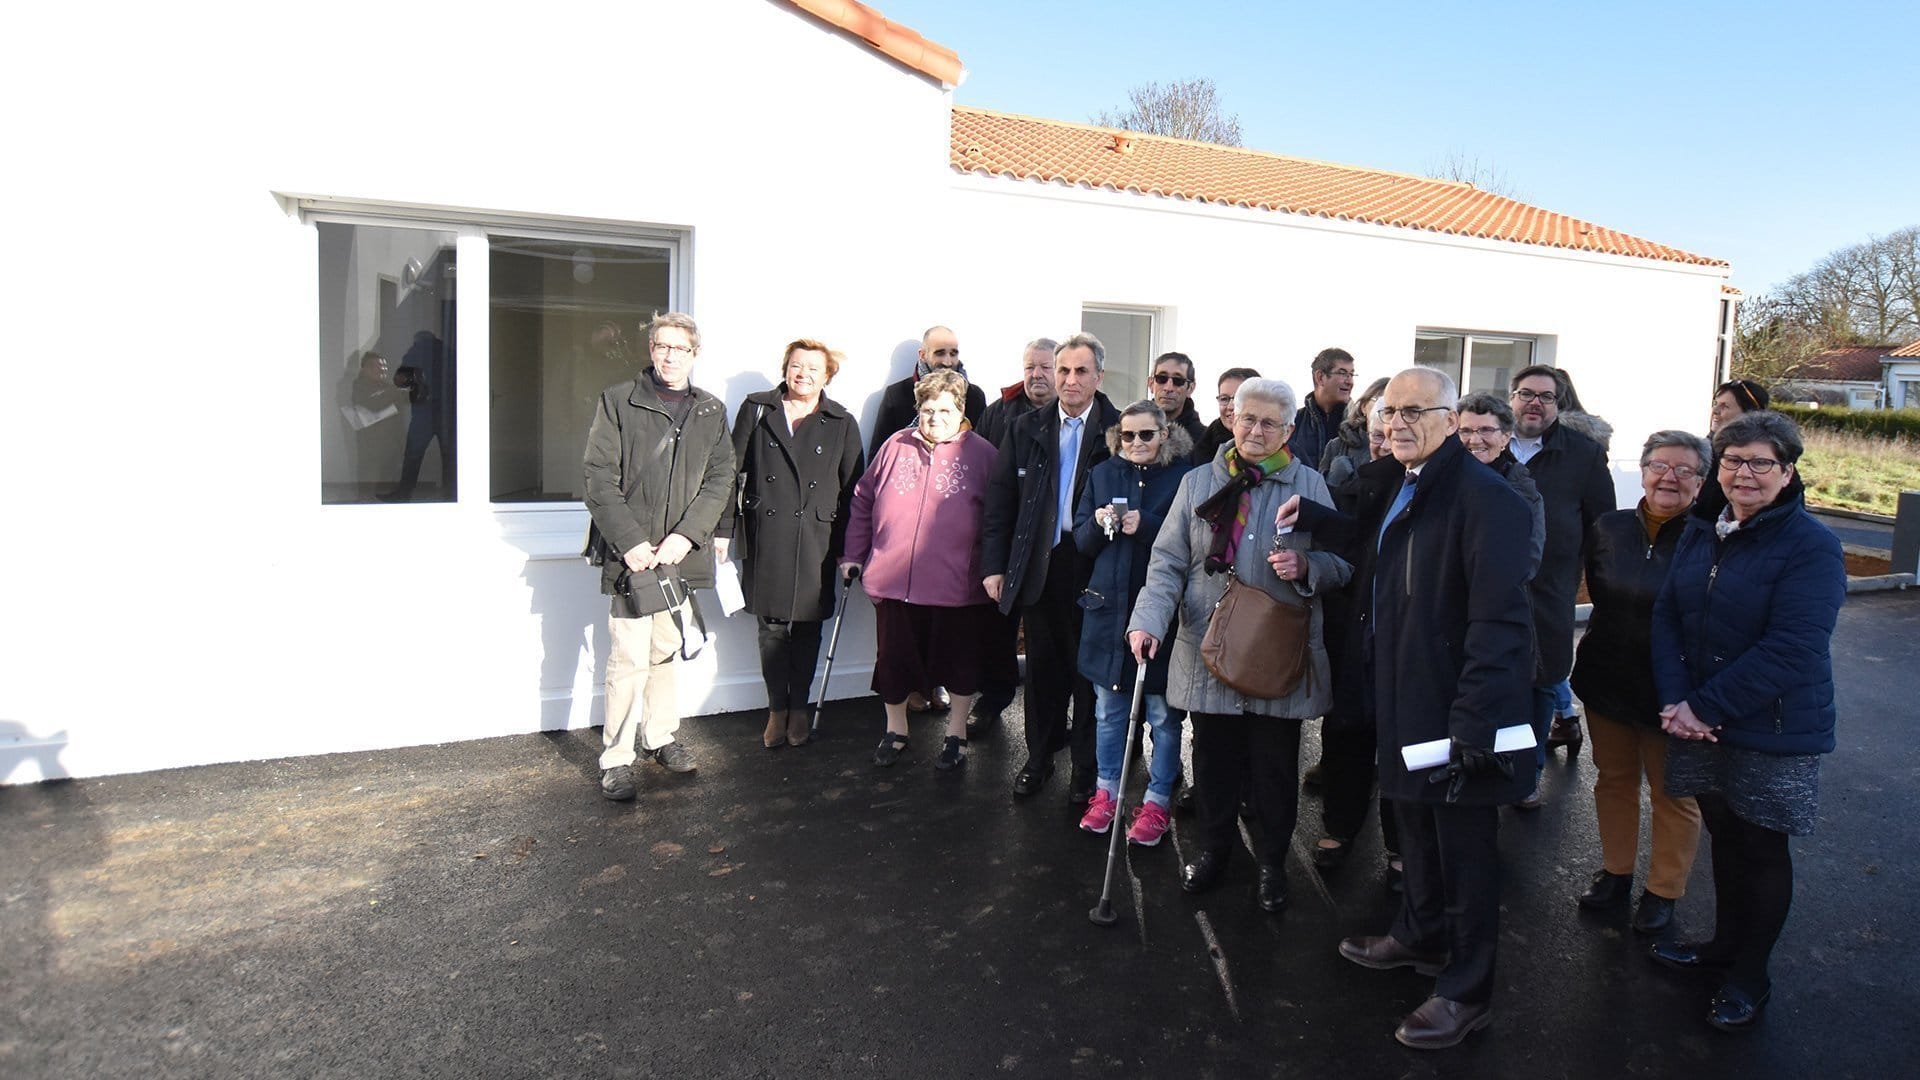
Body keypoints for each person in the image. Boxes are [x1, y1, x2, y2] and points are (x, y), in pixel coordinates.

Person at [1297, 366, 1534, 1050]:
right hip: (1399, 696)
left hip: (1455, 708)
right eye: (1389, 411)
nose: (1397, 422)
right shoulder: (1405, 484)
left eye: (1413, 411)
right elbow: (1371, 553)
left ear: (1451, 417)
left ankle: (1468, 991)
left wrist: (1474, 722)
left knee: (1464, 853)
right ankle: (1422, 937)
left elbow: (1499, 623)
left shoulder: (1486, 499)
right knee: (1414, 830)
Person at [1648, 411, 1845, 1033]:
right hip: (1699, 718)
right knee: (1725, 838)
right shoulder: (1702, 530)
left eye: (1762, 463)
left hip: (1772, 728)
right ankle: (1722, 948)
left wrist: (1701, 708)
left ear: (1788, 473)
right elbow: (1668, 619)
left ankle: (1751, 975)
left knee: (1762, 850)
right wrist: (1681, 701)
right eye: (1733, 461)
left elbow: (1794, 647)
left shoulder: (1812, 545)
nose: (1745, 474)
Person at [1128, 378, 1350, 912]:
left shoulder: (1311, 486)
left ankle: (1273, 862)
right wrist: (1147, 622)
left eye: (1269, 422)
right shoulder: (1199, 482)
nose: (1254, 430)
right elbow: (1168, 563)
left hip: (1277, 652)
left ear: (1289, 430)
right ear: (1231, 419)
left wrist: (1307, 566)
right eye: (1247, 418)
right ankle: (1214, 853)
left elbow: (1344, 562)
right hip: (1208, 647)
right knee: (1214, 765)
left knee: (1275, 770)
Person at [582, 312, 734, 801]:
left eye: (680, 348)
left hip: (678, 557)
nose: (670, 356)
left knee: (664, 651)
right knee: (627, 657)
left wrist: (687, 537)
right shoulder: (618, 401)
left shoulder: (710, 411)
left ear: (695, 353)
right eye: (662, 346)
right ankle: (617, 757)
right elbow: (598, 476)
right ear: (651, 349)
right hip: (634, 557)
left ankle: (659, 736)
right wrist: (630, 541)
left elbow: (720, 479)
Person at [1568, 430, 1711, 934]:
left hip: (1673, 692)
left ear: (1702, 480)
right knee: (1614, 781)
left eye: (1684, 469)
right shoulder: (1608, 527)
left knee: (1674, 794)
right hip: (1607, 679)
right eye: (1658, 465)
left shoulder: (1710, 537)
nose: (1669, 477)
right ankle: (1616, 872)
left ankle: (1664, 890)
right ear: (1643, 470)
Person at [841, 369, 1000, 770]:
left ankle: (956, 733)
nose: (934, 419)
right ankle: (896, 731)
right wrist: (853, 555)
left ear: (961, 410)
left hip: (957, 586)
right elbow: (862, 499)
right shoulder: (896, 445)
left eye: (944, 410)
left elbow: (999, 518)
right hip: (895, 581)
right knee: (893, 662)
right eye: (927, 410)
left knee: (960, 665)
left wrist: (993, 569)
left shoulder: (983, 454)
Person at [983, 333, 1119, 801]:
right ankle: (1038, 759)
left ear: (1098, 376)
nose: (1069, 380)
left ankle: (1085, 770)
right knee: (1042, 672)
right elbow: (1000, 501)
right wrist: (994, 567)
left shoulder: (1118, 431)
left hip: (1093, 566)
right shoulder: (1026, 427)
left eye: (1081, 371)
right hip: (1040, 564)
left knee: (1088, 674)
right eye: (1063, 370)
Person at [724, 339, 865, 750]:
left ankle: (799, 707)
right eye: (796, 365)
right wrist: (723, 531)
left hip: (817, 538)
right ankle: (776, 709)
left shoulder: (841, 420)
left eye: (812, 368)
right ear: (785, 367)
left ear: (827, 377)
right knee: (770, 628)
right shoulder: (757, 408)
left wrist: (850, 549)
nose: (802, 373)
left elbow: (854, 490)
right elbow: (730, 472)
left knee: (806, 628)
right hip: (766, 532)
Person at [1072, 401, 1194, 845]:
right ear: (1117, 438)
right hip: (1107, 612)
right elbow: (1081, 541)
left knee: (1163, 715)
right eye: (1128, 436)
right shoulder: (1103, 474)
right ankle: (1107, 792)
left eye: (1147, 434)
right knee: (1109, 713)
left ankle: (1159, 797)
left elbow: (1194, 540)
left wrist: (1147, 525)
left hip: (1163, 617)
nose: (1137, 443)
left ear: (1164, 434)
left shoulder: (1184, 476)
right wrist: (1099, 522)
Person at [1507, 365, 1615, 799]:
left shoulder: (1583, 454)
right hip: (1486, 587)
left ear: (1559, 403)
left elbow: (1601, 526)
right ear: (1511, 397)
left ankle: (1526, 777)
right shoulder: (1486, 443)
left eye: (1546, 397)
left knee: (1539, 681)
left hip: (1549, 589)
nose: (1535, 403)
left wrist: (1596, 585)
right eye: (1526, 393)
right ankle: (1488, 767)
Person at [869, 325, 987, 460]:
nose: (948, 362)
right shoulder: (897, 395)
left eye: (953, 353)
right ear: (923, 355)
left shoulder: (973, 395)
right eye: (940, 353)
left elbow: (982, 451)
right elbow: (879, 454)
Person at [978, 337, 1058, 449]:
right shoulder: (996, 413)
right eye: (1030, 367)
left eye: (1045, 367)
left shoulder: (1074, 413)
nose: (1036, 374)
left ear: (1061, 370)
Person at [1286, 347, 1356, 469]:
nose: (1350, 381)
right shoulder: (1292, 423)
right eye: (1343, 373)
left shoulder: (1358, 425)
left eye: (1351, 374)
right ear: (1320, 377)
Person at [1317, 376, 1391, 485]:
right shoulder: (1336, 446)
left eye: (1391, 405)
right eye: (1379, 400)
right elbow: (1318, 491)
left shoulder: (1401, 447)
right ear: (1363, 407)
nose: (1384, 408)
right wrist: (1335, 477)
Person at [1194, 367, 1259, 466]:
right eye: (1224, 399)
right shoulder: (1201, 450)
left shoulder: (1283, 447)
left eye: (1239, 399)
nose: (1230, 406)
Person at [1149, 352, 1208, 446]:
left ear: (1190, 388)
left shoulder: (1205, 440)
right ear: (1151, 384)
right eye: (1161, 378)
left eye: (1178, 380)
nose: (1168, 388)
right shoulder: (1130, 432)